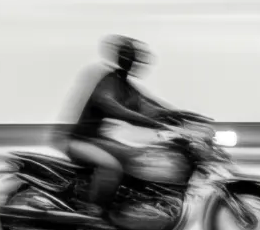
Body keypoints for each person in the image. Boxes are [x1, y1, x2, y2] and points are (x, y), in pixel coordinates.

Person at [57, 37, 207, 219]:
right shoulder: (109, 81)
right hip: (79, 141)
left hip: (98, 140)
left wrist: (183, 116)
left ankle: (128, 204)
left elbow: (153, 108)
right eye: (128, 56)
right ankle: (93, 210)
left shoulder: (126, 88)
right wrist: (153, 123)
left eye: (133, 57)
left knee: (134, 157)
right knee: (112, 166)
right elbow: (112, 107)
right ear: (121, 57)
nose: (131, 61)